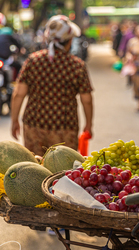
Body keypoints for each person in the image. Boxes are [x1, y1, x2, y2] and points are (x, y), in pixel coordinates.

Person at [10, 15, 94, 156]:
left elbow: (19, 94)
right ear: (69, 41)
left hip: (33, 126)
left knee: (36, 169)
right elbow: (87, 100)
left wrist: (14, 121)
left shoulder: (33, 61)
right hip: (65, 129)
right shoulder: (77, 65)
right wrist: (89, 124)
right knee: (62, 172)